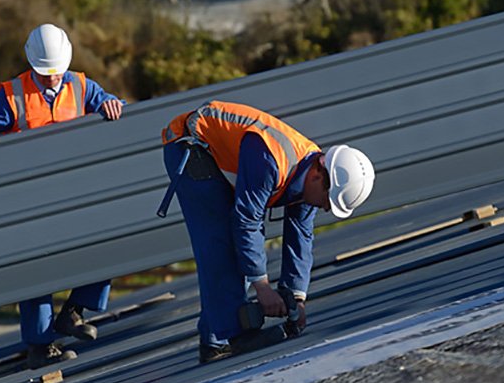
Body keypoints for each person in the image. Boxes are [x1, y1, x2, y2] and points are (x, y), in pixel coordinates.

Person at [161, 100, 375, 363]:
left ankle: (216, 337)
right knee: (220, 241)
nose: (327, 209)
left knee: (234, 242)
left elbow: (301, 235)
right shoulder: (272, 158)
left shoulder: (310, 174)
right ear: (319, 175)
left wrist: (296, 296)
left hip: (212, 151)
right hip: (189, 146)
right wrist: (262, 286)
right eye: (327, 201)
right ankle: (228, 336)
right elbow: (247, 220)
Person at [0, 24, 124, 369]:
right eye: (44, 73)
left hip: (76, 191)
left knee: (108, 243)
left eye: (57, 72)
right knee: (37, 270)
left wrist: (113, 104)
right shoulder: (12, 95)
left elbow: (112, 105)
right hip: (31, 198)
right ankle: (40, 346)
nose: (52, 78)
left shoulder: (82, 86)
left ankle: (74, 312)